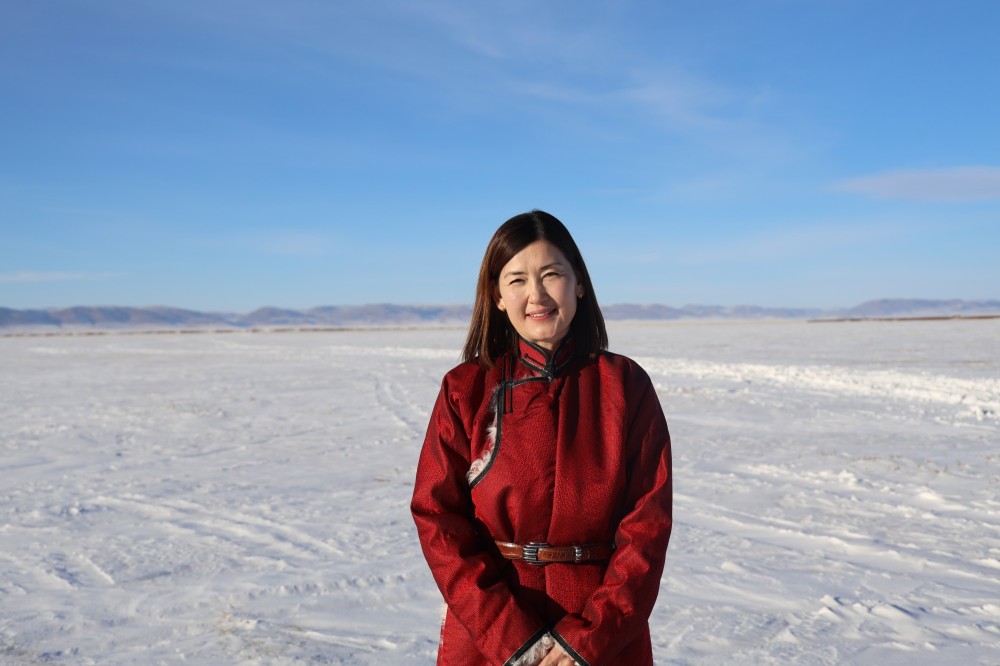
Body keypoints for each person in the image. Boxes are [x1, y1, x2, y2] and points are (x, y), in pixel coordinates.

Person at [411, 210, 672, 666]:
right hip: (491, 635)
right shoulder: (466, 389)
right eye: (517, 280)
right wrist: (510, 637)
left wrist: (589, 639)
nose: (537, 295)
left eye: (552, 274)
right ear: (496, 296)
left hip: (601, 638)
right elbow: (437, 518)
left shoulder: (625, 386)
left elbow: (646, 525)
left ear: (579, 283)